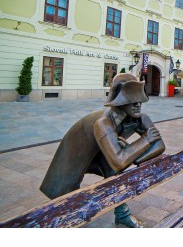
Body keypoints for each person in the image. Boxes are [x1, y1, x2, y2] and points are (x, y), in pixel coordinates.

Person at [40, 73, 165, 228]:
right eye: (132, 100)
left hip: (104, 148)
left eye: (140, 99)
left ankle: (122, 215)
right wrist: (144, 141)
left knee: (114, 175)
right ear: (119, 102)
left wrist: (131, 155)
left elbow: (159, 146)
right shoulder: (103, 123)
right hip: (76, 150)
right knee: (63, 199)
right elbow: (120, 161)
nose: (138, 104)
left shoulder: (140, 117)